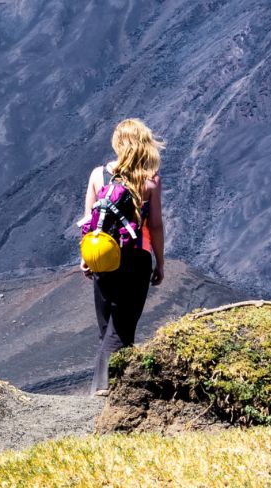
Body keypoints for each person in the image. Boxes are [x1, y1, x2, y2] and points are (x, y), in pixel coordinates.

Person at [80, 118, 166, 396]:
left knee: (108, 328)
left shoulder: (97, 175)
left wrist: (86, 256)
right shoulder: (149, 181)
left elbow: (88, 220)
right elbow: (155, 225)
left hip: (103, 256)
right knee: (122, 327)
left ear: (118, 144)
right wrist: (160, 261)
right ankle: (104, 390)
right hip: (135, 259)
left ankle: (115, 388)